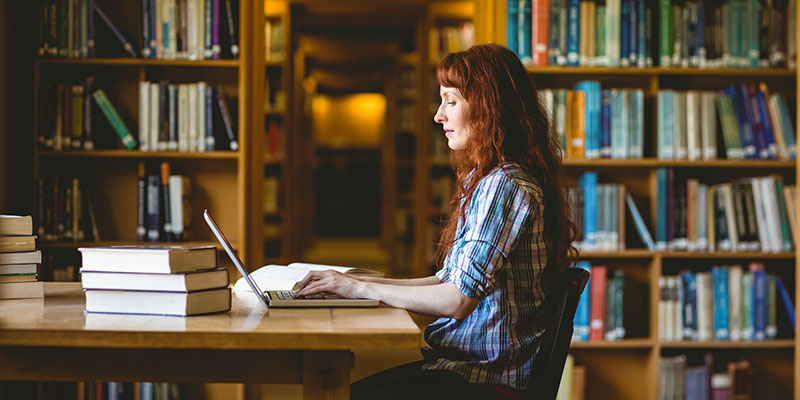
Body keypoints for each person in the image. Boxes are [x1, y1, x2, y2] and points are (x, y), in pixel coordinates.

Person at [294, 43, 577, 399]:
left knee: (337, 394)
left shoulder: (503, 185)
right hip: (467, 369)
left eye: (451, 101)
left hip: (482, 378)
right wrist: (354, 282)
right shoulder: (493, 178)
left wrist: (359, 289)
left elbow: (457, 300)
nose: (438, 115)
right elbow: (449, 280)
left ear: (489, 107)